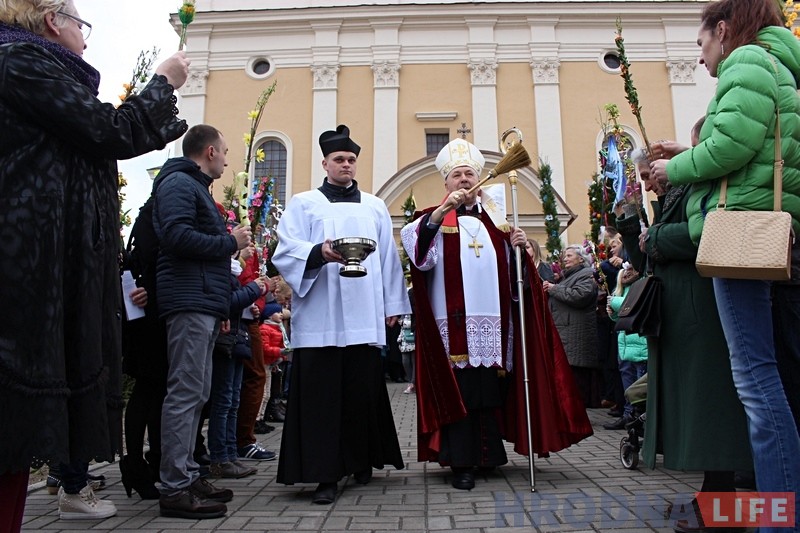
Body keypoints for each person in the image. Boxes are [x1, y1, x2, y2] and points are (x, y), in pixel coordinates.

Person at [0, 0, 189, 527]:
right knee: (12, 425)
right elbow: (109, 132)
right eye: (81, 23)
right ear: (50, 21)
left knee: (15, 442)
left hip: (50, 266)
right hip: (29, 265)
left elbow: (105, 135)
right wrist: (161, 83)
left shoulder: (33, 65)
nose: (86, 35)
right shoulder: (20, 61)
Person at [648, 1, 800, 526]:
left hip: (741, 234)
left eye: (703, 44)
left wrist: (674, 167)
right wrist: (686, 149)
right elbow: (743, 142)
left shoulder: (748, 61)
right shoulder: (777, 64)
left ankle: (779, 516)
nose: (703, 57)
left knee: (757, 384)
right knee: (768, 378)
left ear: (724, 29)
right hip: (765, 229)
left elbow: (733, 147)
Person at [400, 138, 592, 491]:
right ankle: (461, 462)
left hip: (493, 324)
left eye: (468, 174)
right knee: (461, 391)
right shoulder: (432, 220)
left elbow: (514, 278)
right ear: (445, 183)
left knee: (487, 391)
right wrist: (441, 212)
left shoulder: (498, 224)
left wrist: (519, 250)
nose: (462, 180)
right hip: (451, 325)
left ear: (479, 180)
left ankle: (487, 455)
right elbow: (419, 256)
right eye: (456, 175)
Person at [272, 124, 410, 505]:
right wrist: (319, 253)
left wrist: (394, 305)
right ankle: (324, 474)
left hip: (364, 314)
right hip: (321, 318)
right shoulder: (303, 204)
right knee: (322, 398)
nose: (346, 165)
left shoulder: (374, 206)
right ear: (325, 164)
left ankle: (361, 458)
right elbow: (285, 251)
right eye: (339, 160)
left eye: (351, 160)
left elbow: (387, 258)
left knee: (360, 393)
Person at [619, 139, 752, 532]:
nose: (648, 185)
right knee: (700, 409)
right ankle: (713, 492)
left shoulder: (696, 185)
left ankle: (724, 504)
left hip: (702, 313)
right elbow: (646, 258)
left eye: (650, 176)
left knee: (711, 408)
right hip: (682, 316)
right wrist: (633, 228)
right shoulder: (674, 194)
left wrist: (656, 238)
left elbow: (705, 232)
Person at [153, 124, 252, 519]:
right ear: (209, 151)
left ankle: (188, 474)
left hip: (203, 300)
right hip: (189, 299)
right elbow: (177, 236)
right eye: (225, 153)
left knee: (197, 393)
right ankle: (175, 487)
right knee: (185, 393)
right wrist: (231, 242)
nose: (228, 161)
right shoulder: (179, 183)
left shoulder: (192, 186)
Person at [542, 245, 600, 408]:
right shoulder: (569, 276)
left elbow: (580, 296)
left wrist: (554, 288)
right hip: (567, 331)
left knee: (577, 378)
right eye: (564, 256)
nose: (565, 258)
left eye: (569, 255)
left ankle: (577, 411)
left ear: (581, 259)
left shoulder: (586, 274)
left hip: (576, 334)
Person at [604, 264, 648, 430]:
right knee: (628, 385)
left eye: (631, 268)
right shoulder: (626, 287)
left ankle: (637, 417)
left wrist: (615, 302)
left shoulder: (643, 282)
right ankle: (628, 415)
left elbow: (636, 306)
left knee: (638, 386)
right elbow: (622, 318)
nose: (627, 271)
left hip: (640, 346)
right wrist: (613, 313)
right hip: (626, 346)